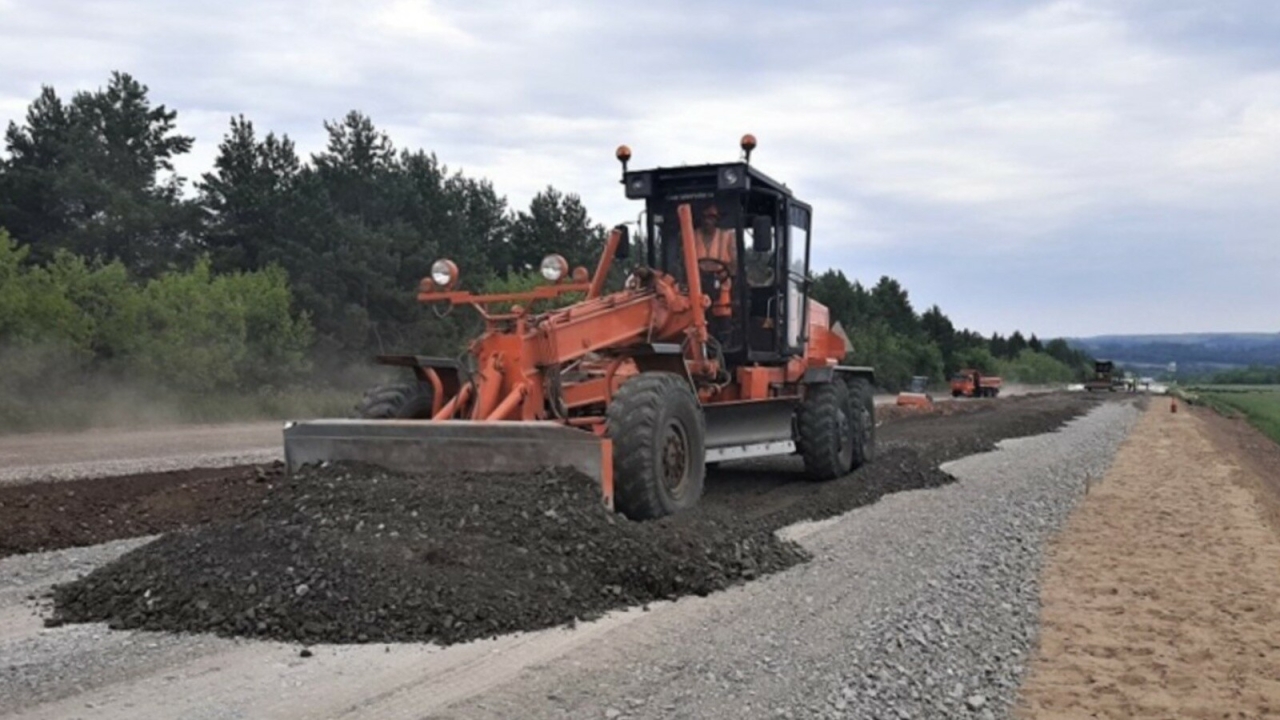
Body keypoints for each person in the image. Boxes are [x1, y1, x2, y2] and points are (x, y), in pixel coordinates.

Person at [693, 204, 737, 319]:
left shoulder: (727, 237)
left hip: (721, 286)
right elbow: (682, 261)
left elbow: (734, 264)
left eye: (711, 218)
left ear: (717, 220)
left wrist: (725, 274)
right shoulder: (692, 236)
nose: (707, 221)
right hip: (697, 287)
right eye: (705, 217)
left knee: (723, 315)